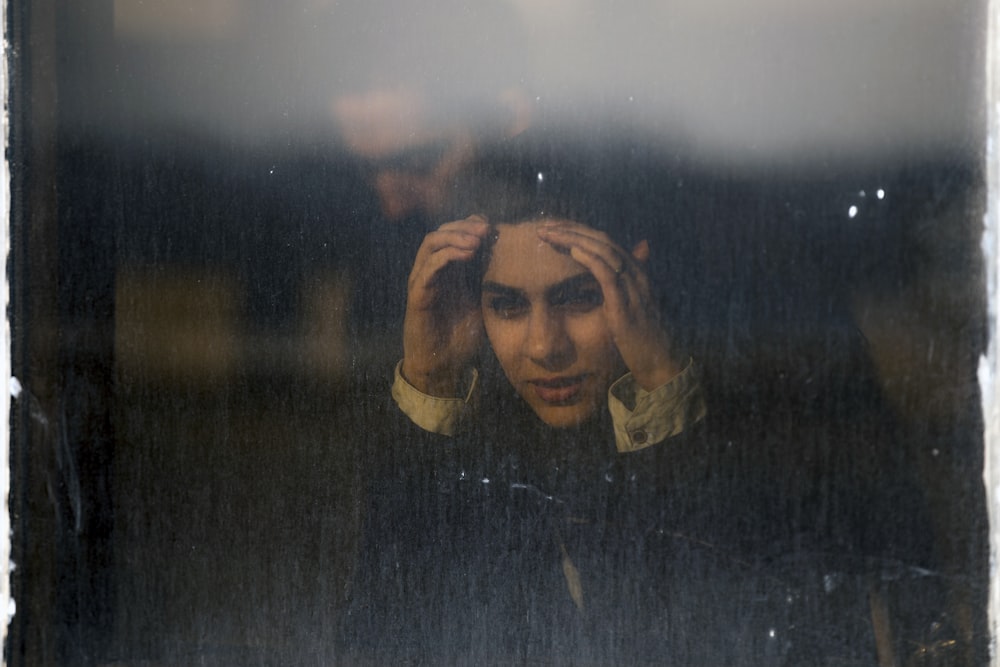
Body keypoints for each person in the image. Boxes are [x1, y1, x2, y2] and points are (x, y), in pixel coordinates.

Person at [338, 135, 949, 664]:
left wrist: (661, 388)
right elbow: (380, 637)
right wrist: (430, 383)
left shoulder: (769, 402)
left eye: (581, 297)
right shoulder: (483, 438)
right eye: (507, 305)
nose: (545, 348)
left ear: (638, 274)